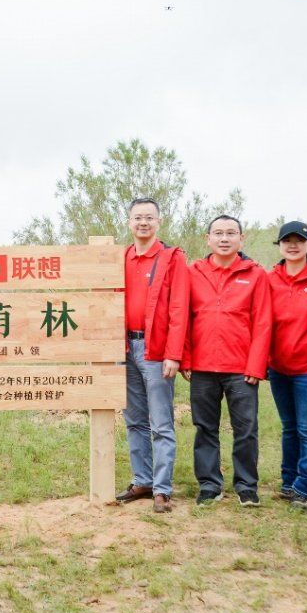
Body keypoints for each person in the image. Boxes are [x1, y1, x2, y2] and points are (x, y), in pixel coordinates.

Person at [182, 215, 271, 507]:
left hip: (241, 368)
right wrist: (186, 359)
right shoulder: (193, 272)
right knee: (204, 427)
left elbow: (263, 323)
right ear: (207, 239)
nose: (224, 238)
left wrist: (256, 365)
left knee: (246, 429)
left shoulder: (256, 274)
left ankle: (246, 486)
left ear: (241, 239)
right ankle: (209, 485)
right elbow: (183, 316)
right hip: (202, 366)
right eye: (218, 233)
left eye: (231, 233)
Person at [116, 198, 189, 512]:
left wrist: (174, 353)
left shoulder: (172, 258)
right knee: (134, 420)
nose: (143, 223)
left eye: (149, 217)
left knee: (160, 422)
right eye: (137, 217)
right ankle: (142, 480)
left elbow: (179, 308)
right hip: (124, 347)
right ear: (129, 222)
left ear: (159, 221)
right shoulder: (122, 257)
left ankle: (162, 489)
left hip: (155, 349)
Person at [265, 221, 307, 510]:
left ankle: (305, 486)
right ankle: (289, 482)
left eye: (299, 241)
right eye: (287, 241)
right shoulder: (270, 279)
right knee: (289, 427)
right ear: (279, 245)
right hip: (279, 367)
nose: (293, 245)